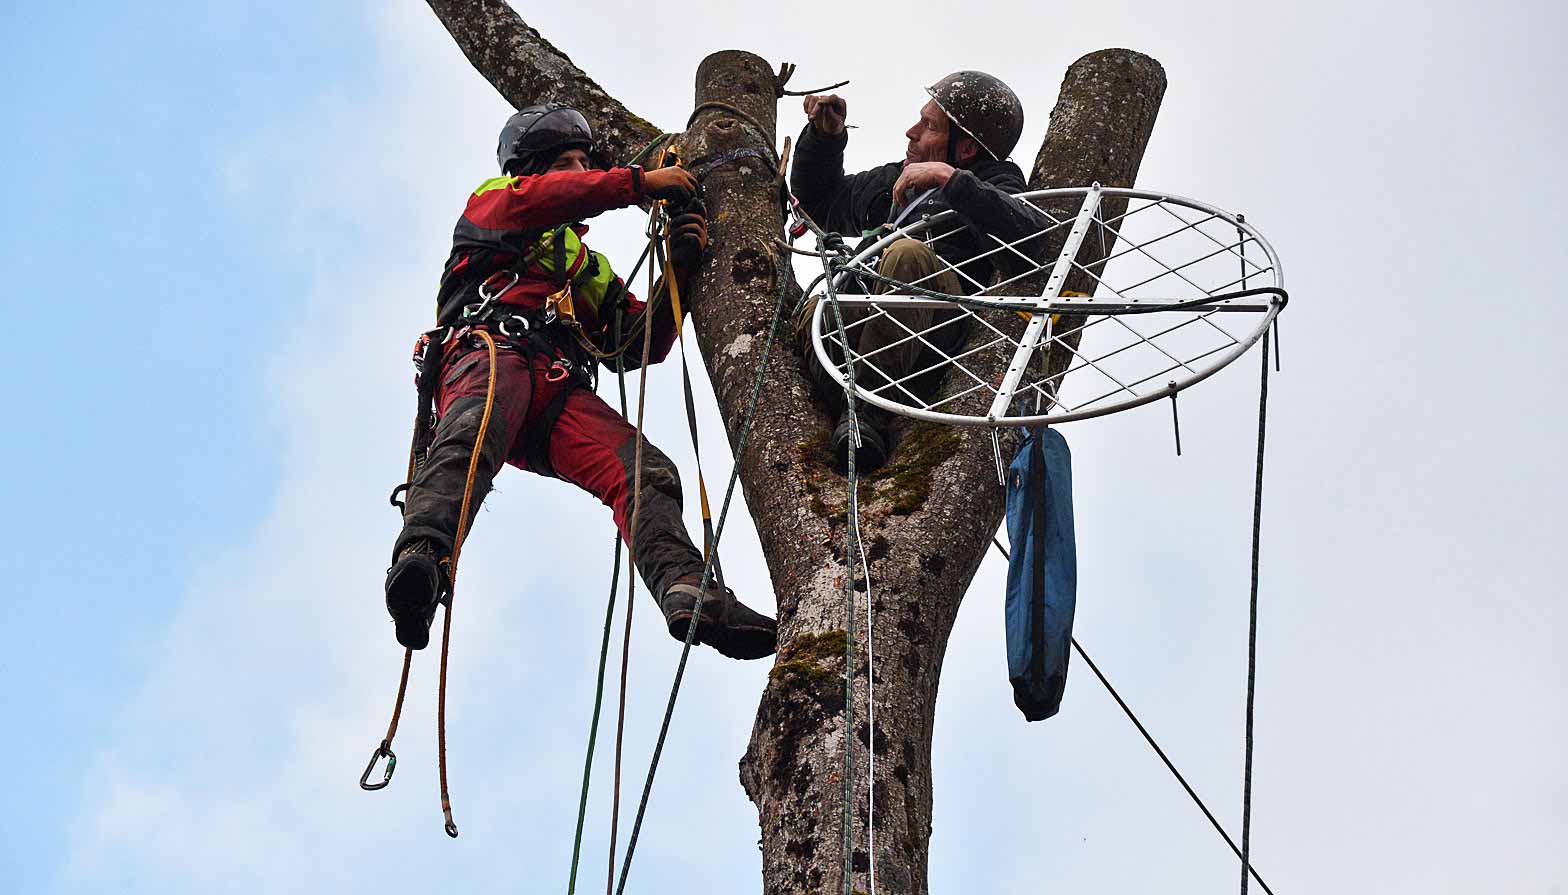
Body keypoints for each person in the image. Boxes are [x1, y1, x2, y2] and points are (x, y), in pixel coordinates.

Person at [385, 104, 776, 660]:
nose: (579, 171)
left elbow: (639, 341)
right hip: (492, 355)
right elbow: (552, 198)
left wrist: (679, 268)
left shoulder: (585, 266)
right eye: (566, 162)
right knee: (469, 440)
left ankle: (688, 587)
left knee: (646, 472)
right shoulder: (496, 202)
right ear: (532, 169)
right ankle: (422, 558)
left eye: (583, 161)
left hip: (554, 390)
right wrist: (639, 183)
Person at [792, 71, 1052, 471]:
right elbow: (820, 204)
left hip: (922, 346)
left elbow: (1031, 240)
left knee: (907, 255)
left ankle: (866, 413)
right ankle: (848, 399)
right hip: (849, 343)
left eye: (929, 126)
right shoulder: (900, 181)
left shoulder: (994, 183)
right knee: (819, 305)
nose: (911, 132)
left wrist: (951, 181)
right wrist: (825, 139)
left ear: (965, 150)